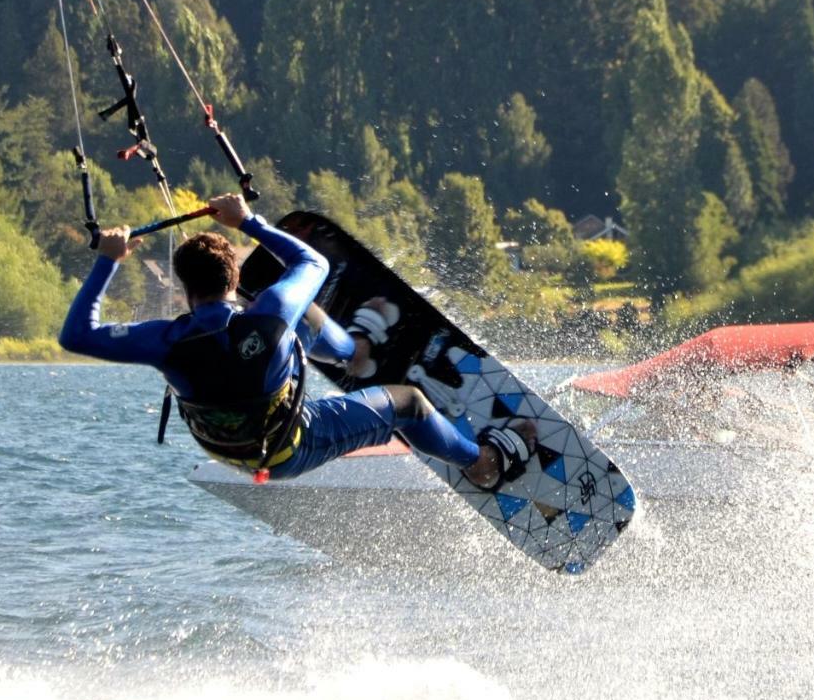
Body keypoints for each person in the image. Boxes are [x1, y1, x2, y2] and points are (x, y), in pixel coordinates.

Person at [59, 193, 533, 487]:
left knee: (297, 322)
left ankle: (353, 354)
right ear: (235, 275)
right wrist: (248, 222)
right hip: (293, 443)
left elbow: (76, 334)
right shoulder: (267, 310)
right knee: (408, 402)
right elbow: (314, 265)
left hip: (230, 452)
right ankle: (483, 462)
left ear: (185, 288)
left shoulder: (163, 340)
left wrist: (108, 259)